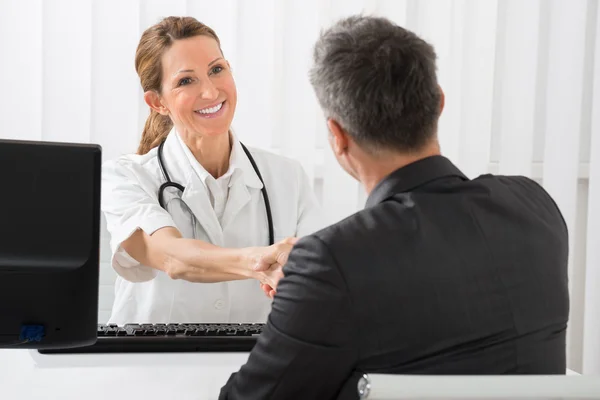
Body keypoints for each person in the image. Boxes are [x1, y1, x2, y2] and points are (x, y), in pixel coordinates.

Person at [219, 15, 569, 399]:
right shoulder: (536, 207)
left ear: (337, 136)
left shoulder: (331, 262)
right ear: (438, 104)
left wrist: (310, 298)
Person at [101, 16, 322, 325]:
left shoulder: (288, 178)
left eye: (217, 70)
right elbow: (172, 257)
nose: (210, 91)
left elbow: (318, 280)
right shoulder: (125, 177)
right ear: (157, 102)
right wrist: (259, 262)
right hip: (151, 366)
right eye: (185, 81)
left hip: (253, 364)